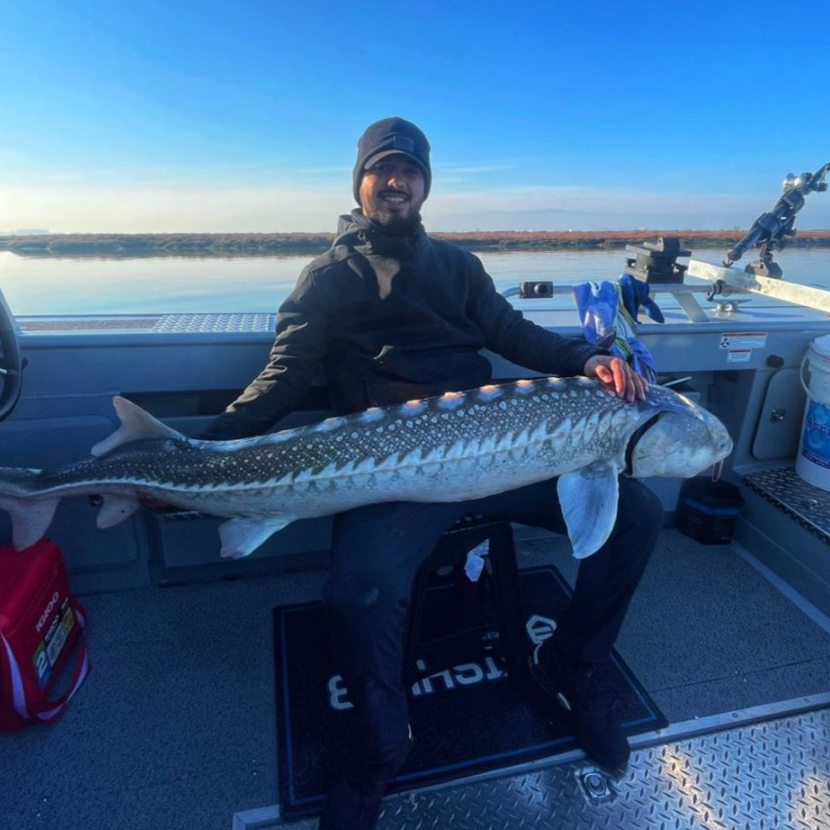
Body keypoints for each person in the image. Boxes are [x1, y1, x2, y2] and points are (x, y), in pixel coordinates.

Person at [200, 117, 662, 830]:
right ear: (359, 182)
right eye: (382, 169)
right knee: (356, 593)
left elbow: (513, 333)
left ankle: (570, 664)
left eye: (410, 172)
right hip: (397, 470)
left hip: (497, 450)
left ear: (425, 186)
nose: (396, 182)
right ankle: (382, 742)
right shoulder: (329, 276)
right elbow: (286, 373)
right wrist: (204, 452)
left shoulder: (458, 266)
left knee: (638, 514)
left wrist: (586, 358)